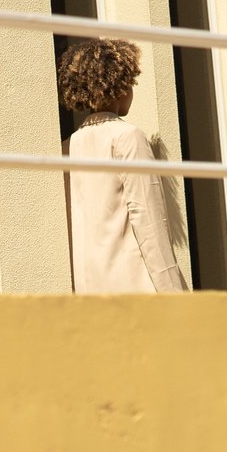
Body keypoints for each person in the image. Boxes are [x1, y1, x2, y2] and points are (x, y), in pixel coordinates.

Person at [57, 38, 188, 294]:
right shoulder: (127, 137)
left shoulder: (67, 147)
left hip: (90, 290)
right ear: (118, 87)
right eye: (130, 84)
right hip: (134, 287)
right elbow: (149, 219)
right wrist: (174, 293)